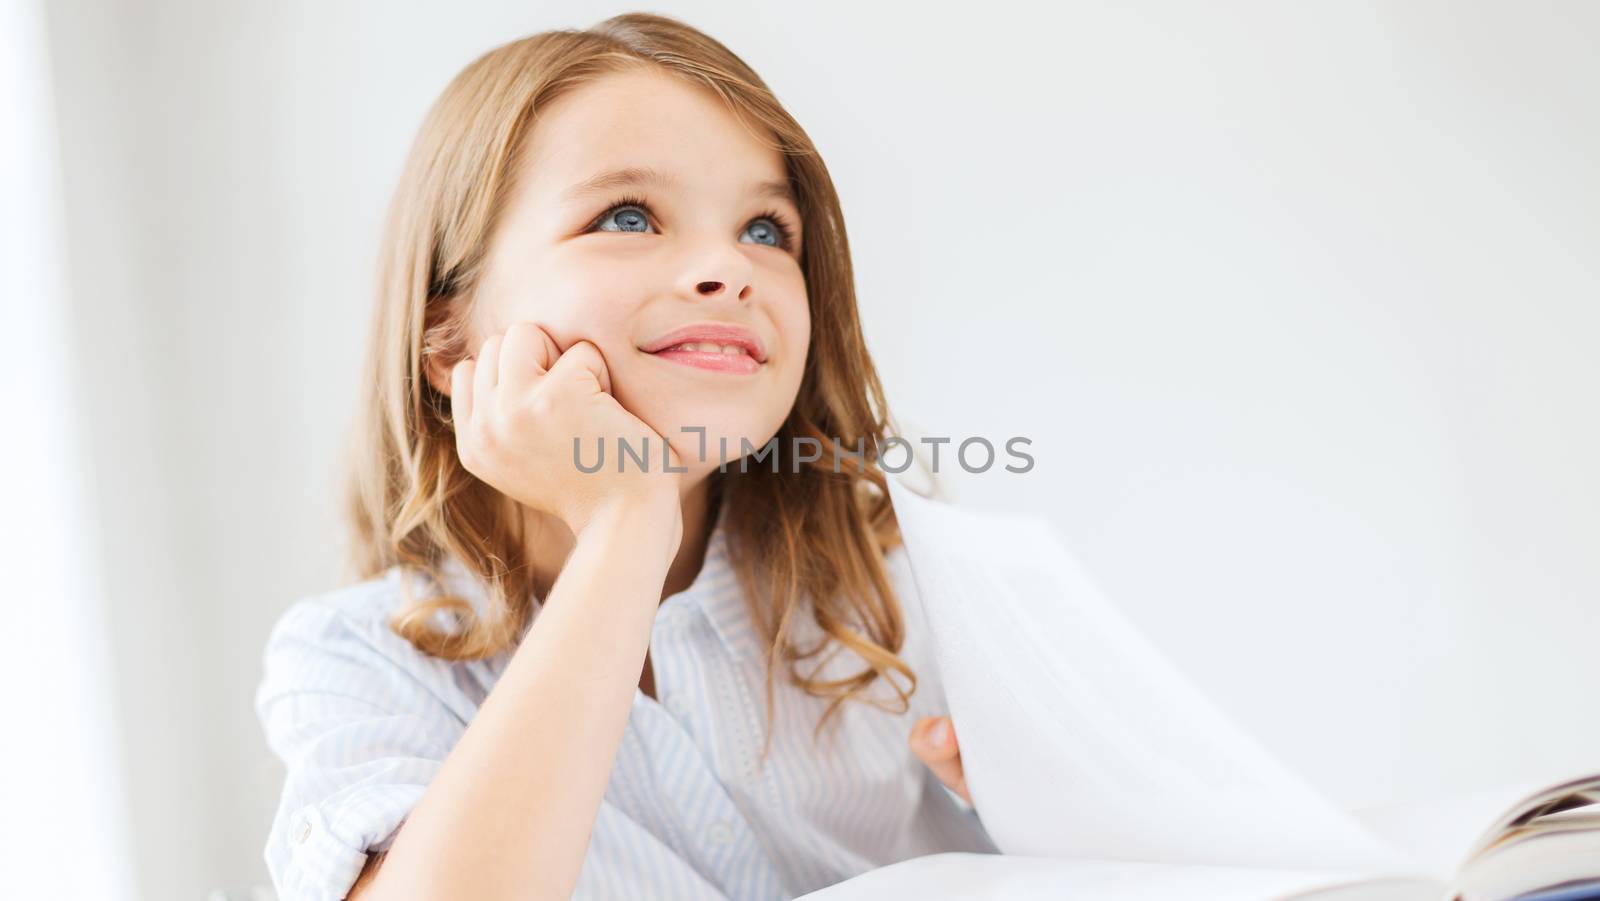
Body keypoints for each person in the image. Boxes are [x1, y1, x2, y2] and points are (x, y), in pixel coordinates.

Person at [255, 12, 994, 901]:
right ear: (450, 344)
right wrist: (623, 522)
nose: (728, 267)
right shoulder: (355, 660)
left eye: (766, 229)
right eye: (630, 215)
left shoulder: (893, 589)